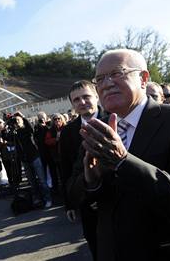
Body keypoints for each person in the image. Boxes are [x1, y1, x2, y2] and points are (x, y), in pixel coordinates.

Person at [68, 49, 170, 261]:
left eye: (117, 73)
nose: (106, 84)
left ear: (143, 78)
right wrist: (91, 180)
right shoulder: (97, 129)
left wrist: (123, 161)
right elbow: (72, 191)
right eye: (99, 79)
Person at [59, 80, 101, 257]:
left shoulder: (116, 118)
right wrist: (69, 203)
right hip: (86, 201)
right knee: (97, 246)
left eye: (86, 97)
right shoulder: (68, 132)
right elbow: (65, 168)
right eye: (76, 100)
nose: (82, 102)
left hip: (120, 198)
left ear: (97, 96)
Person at [11, 112, 52, 208]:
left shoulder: (27, 129)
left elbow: (30, 127)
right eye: (15, 121)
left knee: (42, 180)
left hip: (34, 157)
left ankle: (48, 199)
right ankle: (37, 199)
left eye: (18, 120)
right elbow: (7, 137)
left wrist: (23, 117)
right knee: (32, 182)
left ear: (22, 121)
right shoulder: (15, 133)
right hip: (25, 160)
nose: (17, 122)